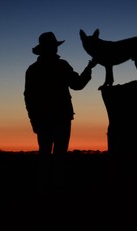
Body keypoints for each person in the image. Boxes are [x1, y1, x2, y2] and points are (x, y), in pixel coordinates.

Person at [23, 31, 97, 186]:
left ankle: (44, 186)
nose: (56, 49)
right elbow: (77, 85)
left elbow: (29, 98)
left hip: (42, 120)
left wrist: (34, 121)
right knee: (59, 156)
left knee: (44, 155)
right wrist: (89, 68)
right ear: (50, 48)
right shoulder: (61, 66)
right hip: (61, 118)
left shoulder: (33, 69)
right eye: (54, 46)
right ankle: (56, 186)